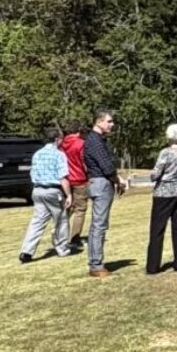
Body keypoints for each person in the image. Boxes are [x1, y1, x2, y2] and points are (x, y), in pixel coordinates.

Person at [145, 123, 177, 275]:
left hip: (164, 193)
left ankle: (153, 266)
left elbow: (155, 174)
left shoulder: (165, 153)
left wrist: (153, 175)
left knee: (157, 230)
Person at [82, 109, 125, 280]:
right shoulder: (95, 141)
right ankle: (96, 265)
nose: (112, 124)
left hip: (99, 182)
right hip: (100, 183)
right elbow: (107, 167)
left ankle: (96, 263)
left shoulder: (97, 140)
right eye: (109, 121)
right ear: (98, 122)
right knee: (99, 225)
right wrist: (118, 180)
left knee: (99, 225)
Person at [19, 131, 72, 262]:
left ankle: (26, 251)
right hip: (53, 191)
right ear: (57, 139)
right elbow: (63, 177)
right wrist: (69, 194)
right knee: (61, 220)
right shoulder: (59, 155)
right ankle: (62, 248)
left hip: (37, 190)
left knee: (37, 222)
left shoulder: (37, 154)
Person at [58, 122, 90, 253]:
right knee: (80, 210)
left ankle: (60, 235)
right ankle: (75, 239)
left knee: (66, 209)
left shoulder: (61, 145)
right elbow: (84, 162)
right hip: (79, 179)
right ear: (78, 131)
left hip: (65, 179)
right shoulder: (81, 143)